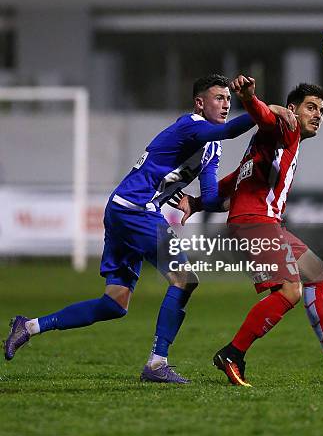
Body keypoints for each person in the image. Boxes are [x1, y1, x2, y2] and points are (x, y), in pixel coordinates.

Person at [3, 74, 295, 384]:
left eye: (227, 99)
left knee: (114, 304)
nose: (225, 104)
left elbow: (209, 197)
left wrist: (222, 197)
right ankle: (157, 363)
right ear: (200, 103)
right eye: (218, 98)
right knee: (184, 280)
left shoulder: (212, 148)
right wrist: (269, 108)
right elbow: (229, 130)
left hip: (123, 208)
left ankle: (29, 326)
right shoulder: (191, 124)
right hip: (136, 208)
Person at [175, 75, 323, 386]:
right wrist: (251, 99)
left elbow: (238, 177)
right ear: (292, 110)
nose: (318, 114)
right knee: (290, 291)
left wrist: (197, 203)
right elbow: (266, 118)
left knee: (315, 271)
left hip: (261, 222)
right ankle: (233, 353)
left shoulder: (272, 146)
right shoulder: (286, 126)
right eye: (311, 107)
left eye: (321, 110)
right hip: (256, 222)